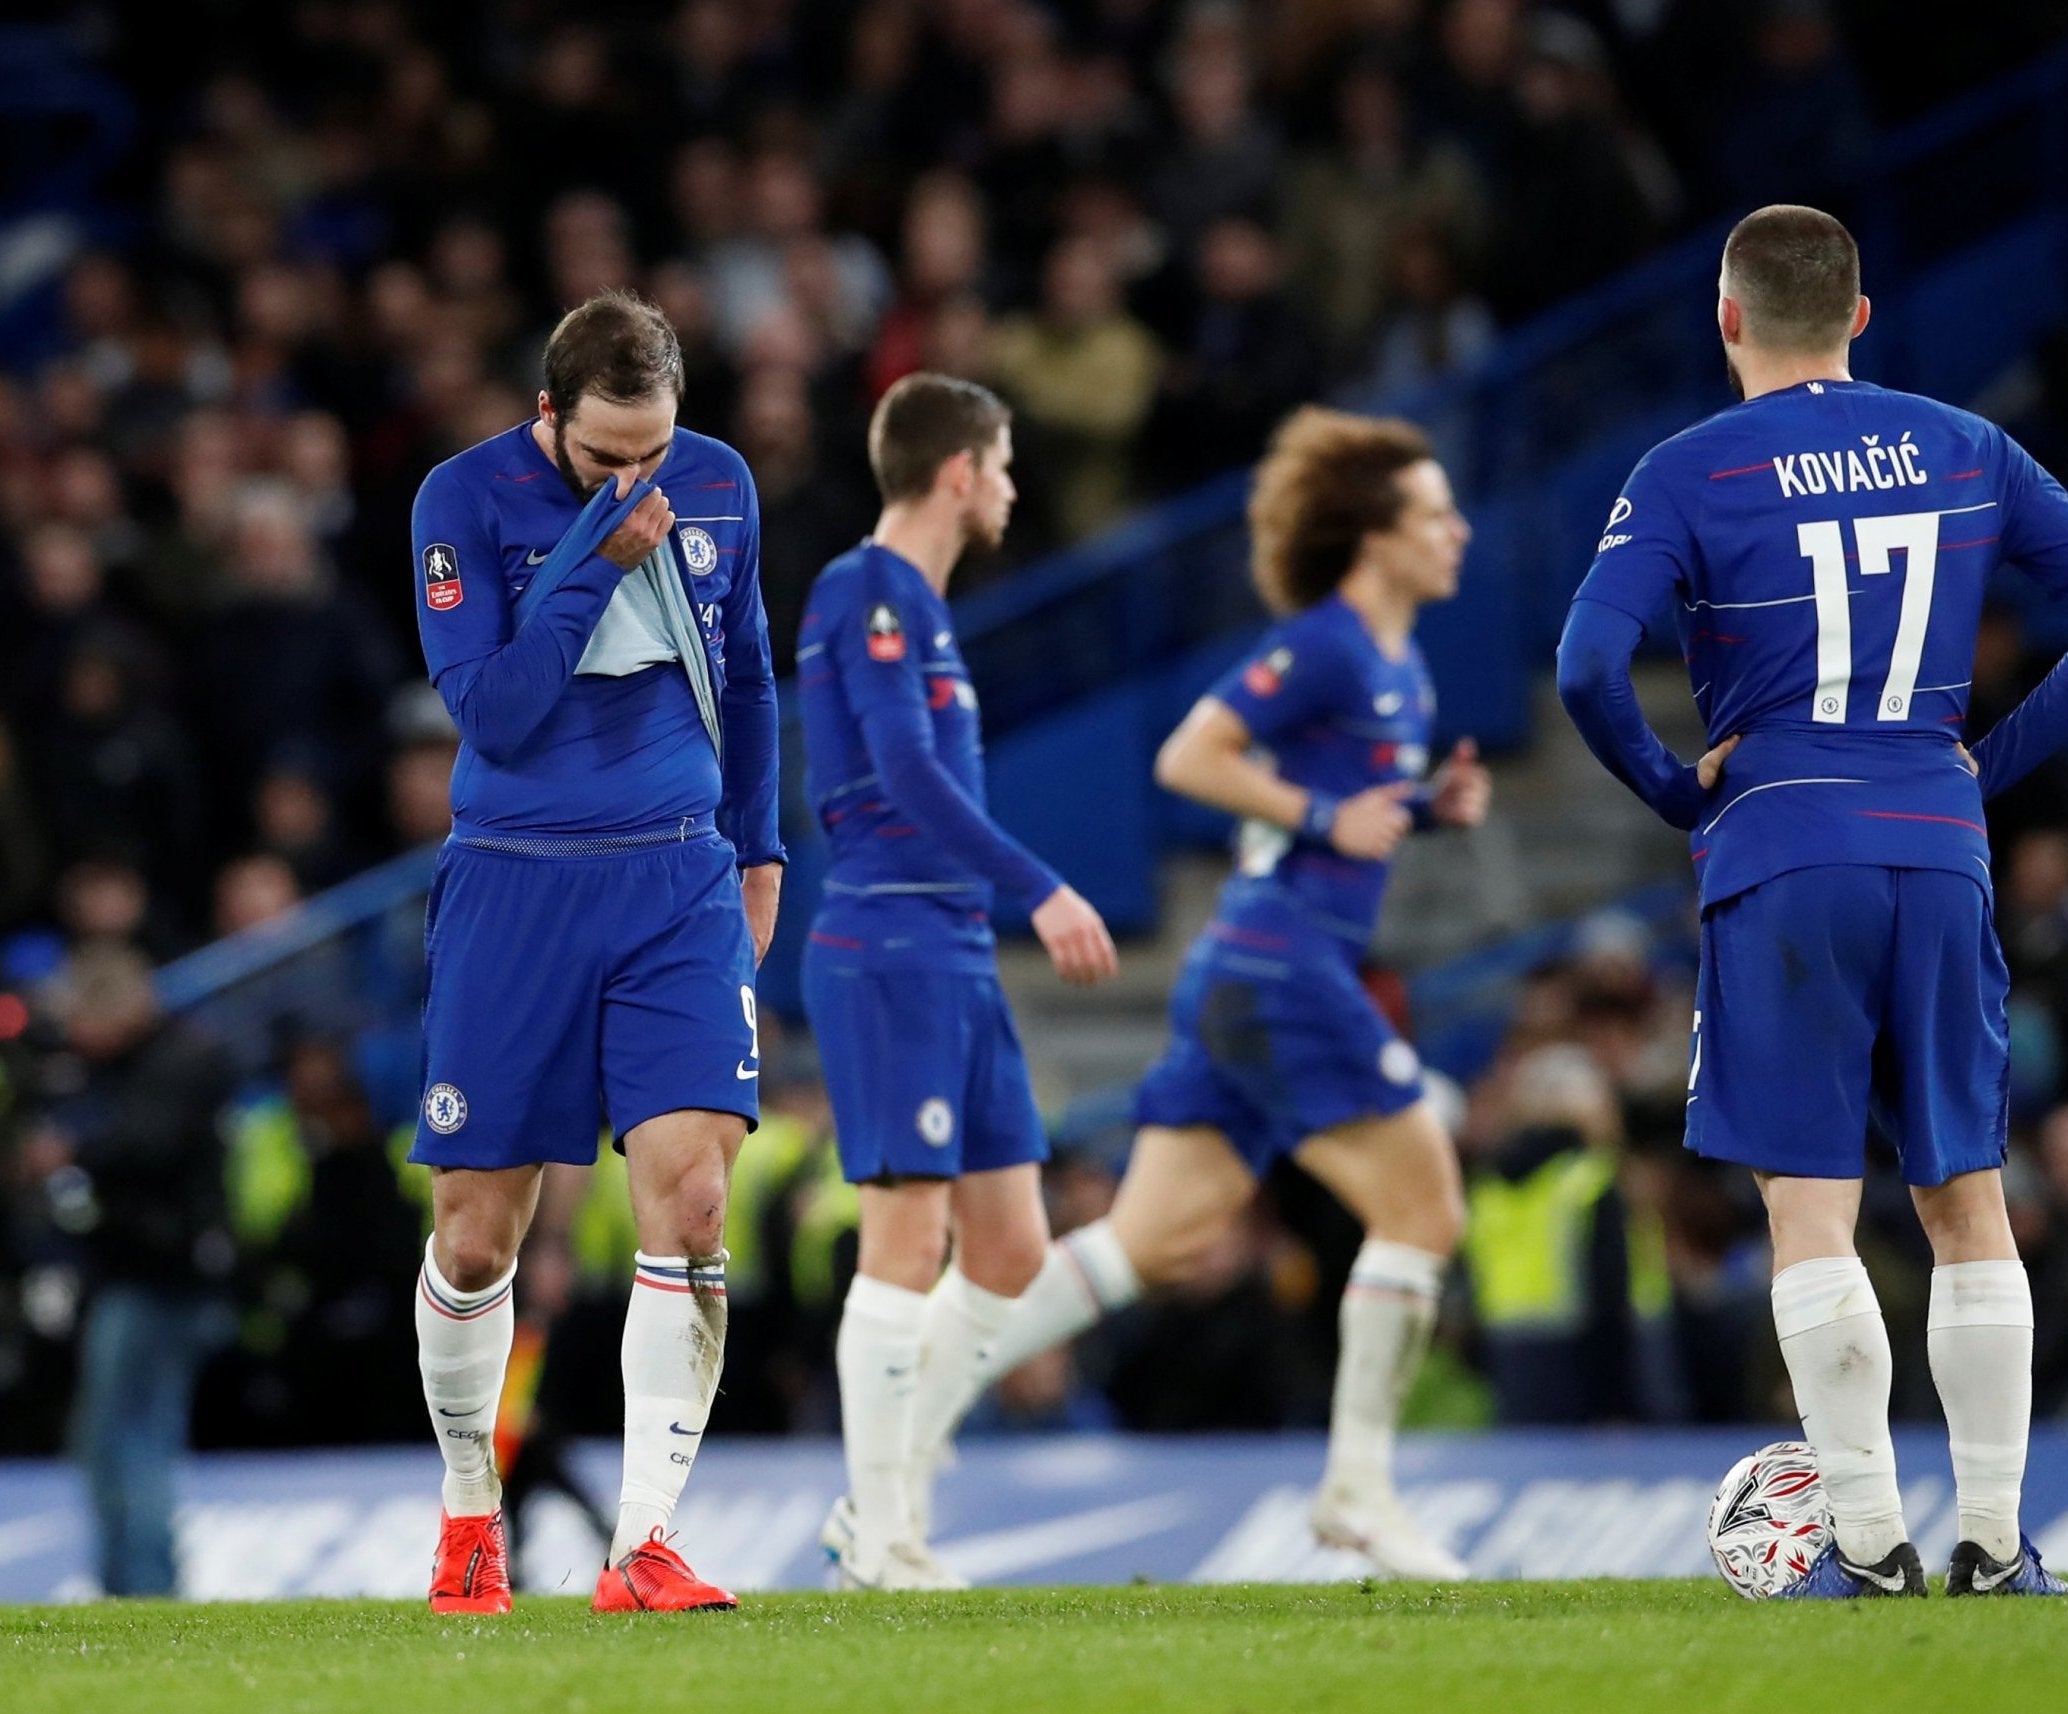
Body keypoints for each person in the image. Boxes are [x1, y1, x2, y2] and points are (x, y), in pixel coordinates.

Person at [1555, 205, 2068, 1598]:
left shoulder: (1685, 470)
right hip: (1937, 841)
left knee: (1812, 1207)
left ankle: (1867, 1543)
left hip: (1781, 846)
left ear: (1727, 319)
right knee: (1966, 1197)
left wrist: (1671, 788)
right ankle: (2000, 1544)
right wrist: (1986, 763)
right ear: (1860, 314)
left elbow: (1589, 666)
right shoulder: (1965, 446)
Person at [906, 405, 1490, 1579]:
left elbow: (1336, 814)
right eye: (1433, 514)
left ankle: (896, 1432)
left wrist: (1422, 809)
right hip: (1285, 970)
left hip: (1257, 968)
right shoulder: (1326, 643)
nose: (1458, 532)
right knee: (1423, 1212)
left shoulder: (1400, 668)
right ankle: (1357, 1493)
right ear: (1374, 534)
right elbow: (1190, 756)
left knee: (1141, 1244)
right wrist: (1330, 813)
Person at [406, 290, 786, 1616]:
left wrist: (763, 847)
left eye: (656, 451)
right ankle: (469, 1514)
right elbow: (497, 717)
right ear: (547, 415)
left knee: (690, 1198)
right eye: (604, 454)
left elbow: (745, 676)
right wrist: (600, 557)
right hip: (515, 885)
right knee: (474, 1231)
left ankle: (644, 1545)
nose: (637, 477)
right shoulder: (461, 501)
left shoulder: (722, 483)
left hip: (678, 874)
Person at [798, 373, 1119, 1590]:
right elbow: (902, 772)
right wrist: (1039, 884)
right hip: (890, 942)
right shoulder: (865, 589)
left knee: (1009, 1250)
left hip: (951, 948)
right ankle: (884, 1538)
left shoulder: (921, 608)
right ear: (955, 474)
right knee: (904, 1235)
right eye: (1001, 464)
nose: (1010, 487)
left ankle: (869, 1500)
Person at [36, 945, 237, 1597]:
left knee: (130, 1437)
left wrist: (74, 1150)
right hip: (141, 1276)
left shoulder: (181, 1060)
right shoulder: (144, 1063)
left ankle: (146, 1585)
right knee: (115, 1436)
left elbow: (147, 1148)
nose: (74, 1034)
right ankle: (130, 1582)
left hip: (163, 1281)